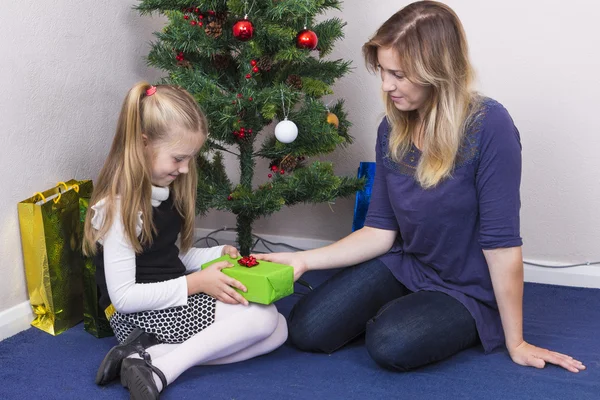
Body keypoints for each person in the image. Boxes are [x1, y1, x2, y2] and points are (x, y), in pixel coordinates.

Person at [255, 1, 585, 373]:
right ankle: (401, 310)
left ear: (437, 71)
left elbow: (502, 244)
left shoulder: (490, 126)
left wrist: (517, 341)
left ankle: (457, 320)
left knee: (389, 344)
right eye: (381, 70)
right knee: (306, 330)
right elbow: (379, 230)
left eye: (398, 74)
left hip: (468, 288)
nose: (385, 85)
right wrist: (303, 260)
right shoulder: (391, 129)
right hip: (409, 266)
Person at [83, 83, 287, 399]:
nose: (185, 168)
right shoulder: (121, 207)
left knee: (279, 330)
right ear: (143, 144)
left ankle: (146, 357)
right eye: (178, 158)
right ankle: (162, 370)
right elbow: (123, 297)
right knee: (264, 318)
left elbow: (165, 256)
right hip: (138, 316)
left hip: (167, 299)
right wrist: (197, 283)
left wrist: (212, 255)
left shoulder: (162, 191)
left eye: (190, 158)